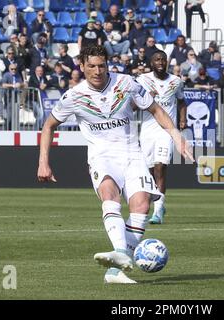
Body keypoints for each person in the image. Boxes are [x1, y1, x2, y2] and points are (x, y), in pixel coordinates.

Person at [37, 44, 194, 284]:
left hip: (132, 153)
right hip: (101, 156)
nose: (97, 71)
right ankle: (121, 253)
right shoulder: (74, 97)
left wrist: (176, 136)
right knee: (109, 193)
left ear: (108, 65)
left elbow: (156, 109)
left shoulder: (127, 84)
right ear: (82, 66)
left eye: (102, 65)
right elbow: (48, 126)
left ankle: (116, 268)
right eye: (91, 66)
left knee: (141, 206)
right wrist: (43, 163)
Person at [137, 50, 186, 224]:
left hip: (166, 130)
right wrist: (144, 99)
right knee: (149, 172)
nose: (160, 62)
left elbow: (181, 101)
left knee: (160, 167)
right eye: (157, 59)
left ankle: (157, 210)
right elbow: (133, 104)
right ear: (152, 63)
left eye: (163, 60)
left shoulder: (176, 81)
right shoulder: (142, 80)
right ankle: (159, 204)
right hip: (148, 131)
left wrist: (182, 118)